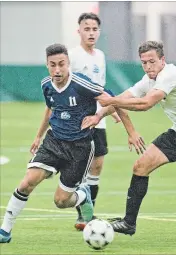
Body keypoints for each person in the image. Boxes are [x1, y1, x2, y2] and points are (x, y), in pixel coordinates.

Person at [0, 43, 144, 243]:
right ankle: (5, 231)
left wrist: (130, 131)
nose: (57, 70)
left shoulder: (81, 84)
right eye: (52, 65)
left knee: (61, 201)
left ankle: (83, 196)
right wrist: (38, 136)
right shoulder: (46, 85)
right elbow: (50, 109)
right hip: (54, 141)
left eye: (61, 64)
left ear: (68, 64)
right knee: (27, 182)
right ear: (47, 65)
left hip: (80, 148)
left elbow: (113, 99)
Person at [84, 41, 176, 241]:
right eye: (144, 62)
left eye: (152, 61)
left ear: (162, 60)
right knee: (140, 166)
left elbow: (145, 104)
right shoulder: (148, 80)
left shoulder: (169, 76)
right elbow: (124, 97)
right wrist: (98, 116)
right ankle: (129, 222)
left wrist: (111, 101)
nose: (148, 67)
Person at [68, 12, 120, 231]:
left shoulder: (100, 55)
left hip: (99, 117)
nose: (91, 32)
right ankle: (83, 214)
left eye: (94, 29)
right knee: (81, 165)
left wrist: (113, 110)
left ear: (99, 32)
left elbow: (101, 87)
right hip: (80, 119)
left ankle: (89, 212)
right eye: (86, 28)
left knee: (98, 164)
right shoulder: (72, 55)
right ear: (78, 31)